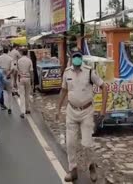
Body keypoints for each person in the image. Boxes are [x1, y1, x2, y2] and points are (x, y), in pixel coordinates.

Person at [57, 51, 107, 182]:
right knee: (70, 143)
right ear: (72, 59)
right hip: (71, 111)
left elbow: (104, 87)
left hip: (87, 112)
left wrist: (103, 109)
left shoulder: (90, 72)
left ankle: (91, 166)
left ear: (81, 59)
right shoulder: (67, 72)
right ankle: (72, 170)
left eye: (79, 57)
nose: (77, 59)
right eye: (74, 57)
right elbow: (63, 90)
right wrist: (58, 109)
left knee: (87, 144)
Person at [0, 47, 14, 114]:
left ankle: (0, 104)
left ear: (3, 51)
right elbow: (12, 69)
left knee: (0, 92)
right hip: (8, 78)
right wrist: (8, 74)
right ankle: (10, 108)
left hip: (1, 78)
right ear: (8, 51)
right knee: (9, 93)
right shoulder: (10, 59)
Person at [16, 48, 33, 118]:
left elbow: (17, 70)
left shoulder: (19, 61)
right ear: (27, 53)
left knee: (22, 95)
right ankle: (28, 109)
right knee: (27, 94)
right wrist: (32, 79)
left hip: (21, 78)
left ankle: (22, 111)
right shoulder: (29, 60)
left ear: (22, 53)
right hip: (28, 78)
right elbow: (31, 71)